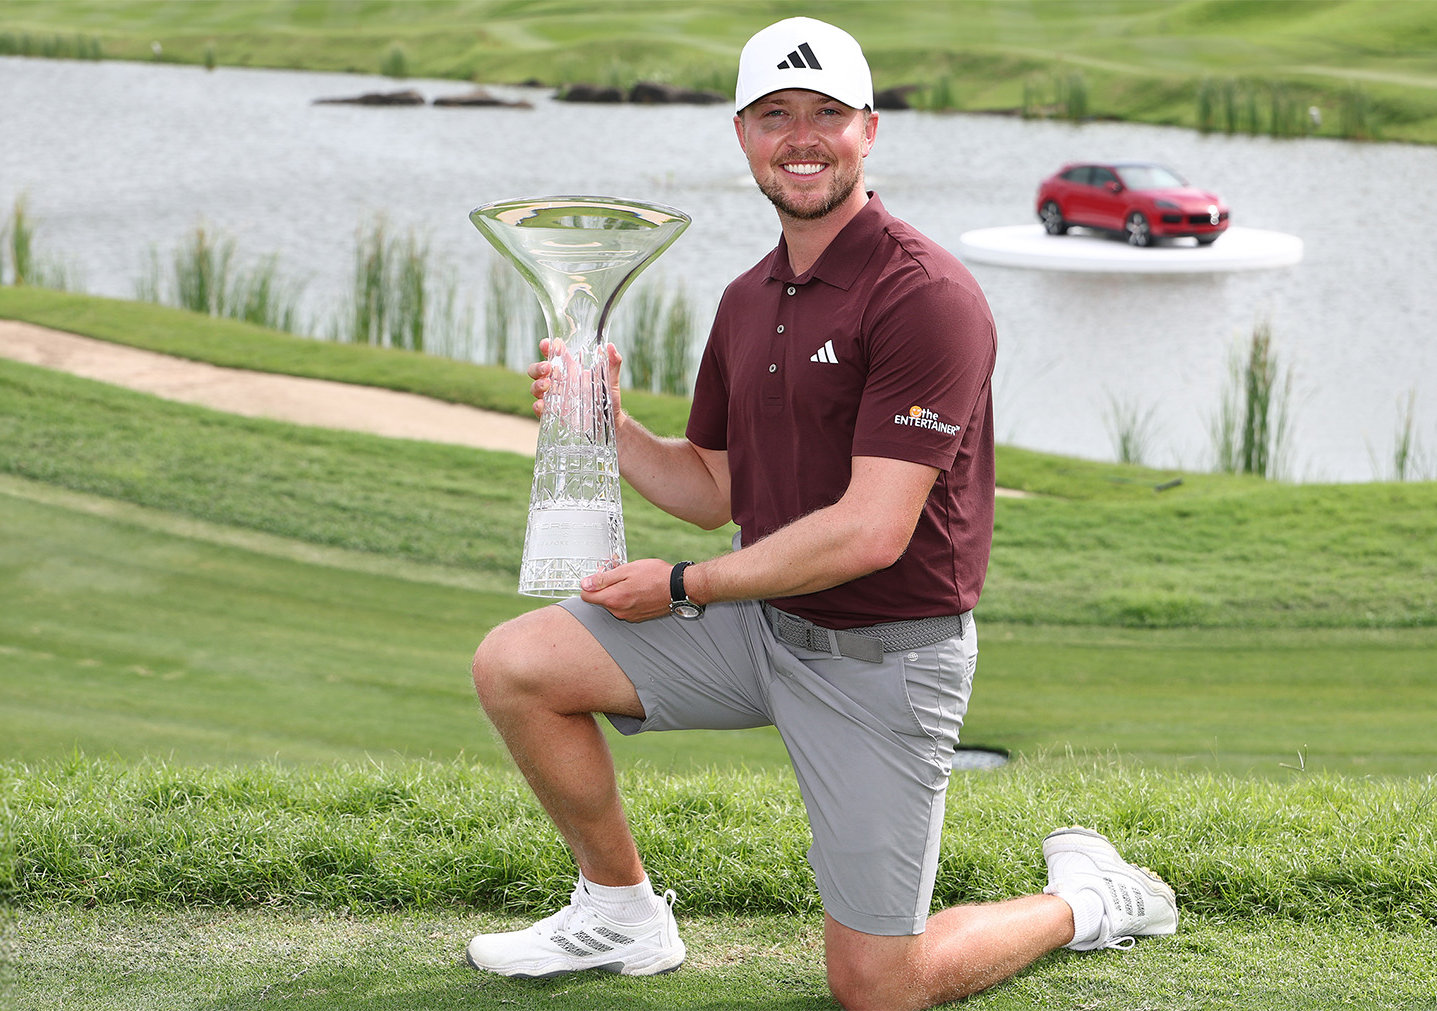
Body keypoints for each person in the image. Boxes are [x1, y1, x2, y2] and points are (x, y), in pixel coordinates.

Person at [465, 16, 1177, 1009]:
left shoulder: (926, 297)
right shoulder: (748, 297)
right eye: (776, 115)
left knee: (878, 989)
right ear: (744, 135)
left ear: (869, 131)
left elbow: (870, 530)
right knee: (517, 663)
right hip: (764, 625)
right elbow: (714, 490)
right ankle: (621, 915)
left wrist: (680, 586)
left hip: (886, 661)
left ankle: (1090, 898)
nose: (802, 137)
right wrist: (606, 425)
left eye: (827, 115)